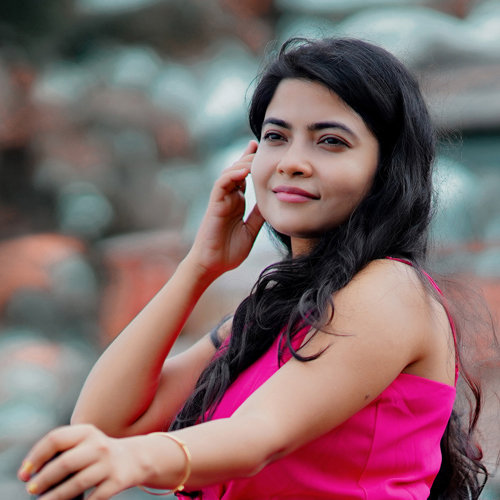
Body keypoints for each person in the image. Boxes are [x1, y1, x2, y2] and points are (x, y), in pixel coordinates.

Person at [17, 37, 489, 500]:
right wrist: (198, 268)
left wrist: (137, 459)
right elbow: (102, 427)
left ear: (386, 169)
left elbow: (263, 432)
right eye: (276, 137)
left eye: (330, 141)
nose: (293, 162)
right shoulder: (269, 316)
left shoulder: (392, 289)